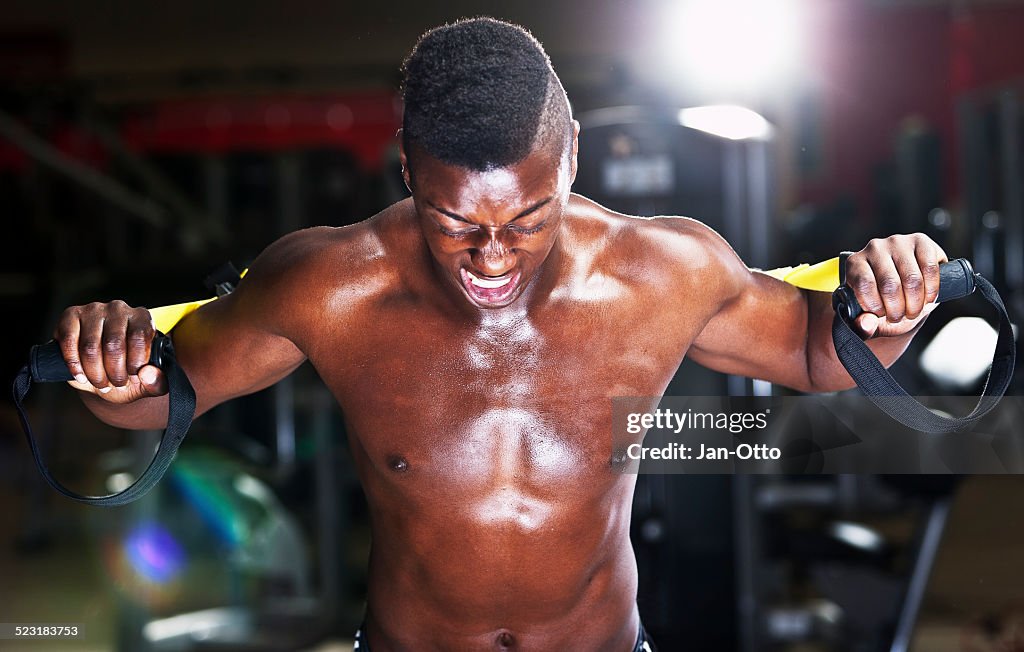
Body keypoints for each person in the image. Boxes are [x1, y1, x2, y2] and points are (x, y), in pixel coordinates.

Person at [52, 17, 947, 652]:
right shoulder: (328, 285)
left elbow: (816, 357)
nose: (491, 256)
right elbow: (168, 399)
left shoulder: (663, 272)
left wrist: (891, 311)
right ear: (407, 169)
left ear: (571, 160)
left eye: (527, 217)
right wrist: (114, 372)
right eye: (453, 220)